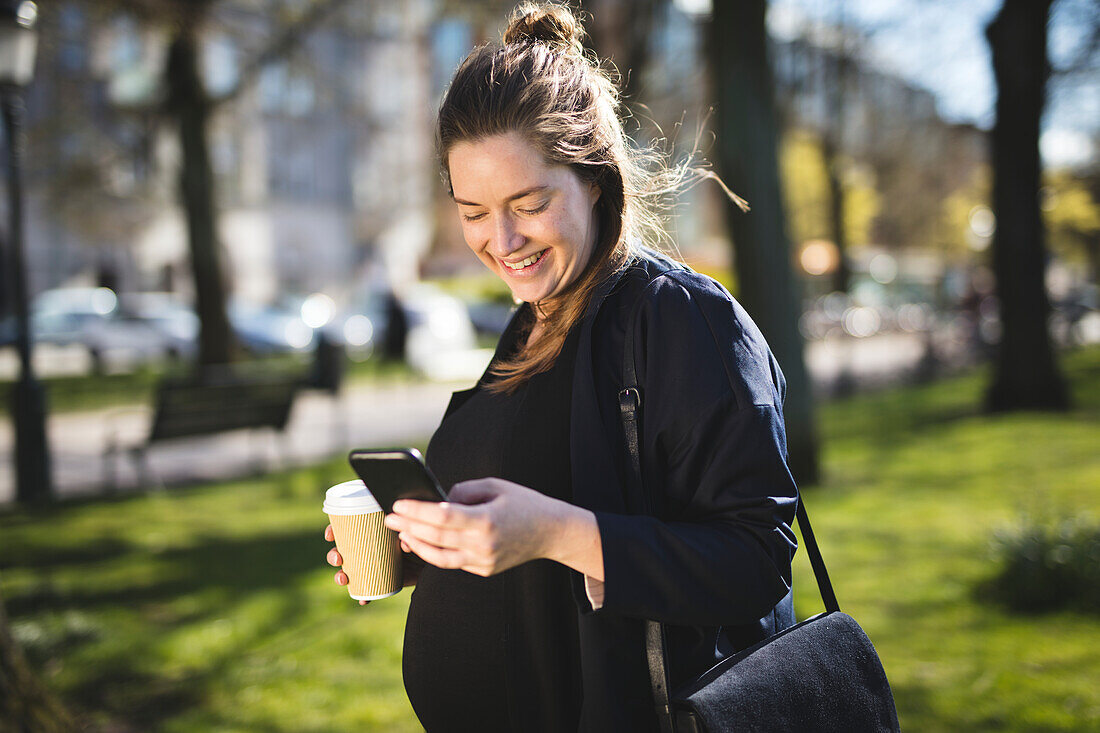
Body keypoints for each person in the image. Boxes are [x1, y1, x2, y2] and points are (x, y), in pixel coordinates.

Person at [323, 3, 799, 730]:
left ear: (595, 180)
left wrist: (553, 532)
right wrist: (437, 549)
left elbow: (755, 560)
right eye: (473, 210)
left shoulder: (678, 318)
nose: (501, 238)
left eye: (529, 202)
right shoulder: (530, 321)